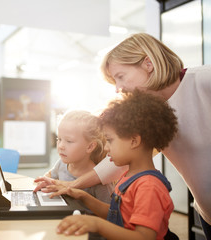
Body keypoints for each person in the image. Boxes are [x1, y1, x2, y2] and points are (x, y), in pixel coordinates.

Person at [36, 32, 211, 239]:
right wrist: (73, 185)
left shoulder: (204, 80)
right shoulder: (153, 114)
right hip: (207, 213)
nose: (118, 88)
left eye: (121, 76)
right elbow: (118, 160)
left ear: (148, 63)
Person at [56, 90, 178, 240]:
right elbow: (118, 215)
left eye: (110, 140)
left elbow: (144, 237)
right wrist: (83, 196)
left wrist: (97, 224)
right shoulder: (129, 177)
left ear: (134, 141)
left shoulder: (149, 187)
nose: (106, 147)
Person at [41, 110, 113, 204]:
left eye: (69, 141)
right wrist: (44, 180)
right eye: (59, 139)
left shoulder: (100, 181)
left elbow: (110, 213)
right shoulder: (61, 164)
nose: (61, 146)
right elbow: (50, 176)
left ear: (90, 147)